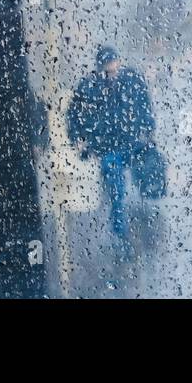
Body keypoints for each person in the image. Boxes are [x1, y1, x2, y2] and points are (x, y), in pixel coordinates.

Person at [66, 46, 156, 256]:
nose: (111, 70)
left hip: (133, 144)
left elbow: (145, 106)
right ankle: (120, 235)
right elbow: (74, 113)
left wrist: (149, 133)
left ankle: (138, 227)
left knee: (136, 187)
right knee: (117, 191)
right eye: (106, 67)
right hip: (108, 146)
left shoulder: (132, 80)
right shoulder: (90, 85)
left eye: (113, 65)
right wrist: (79, 139)